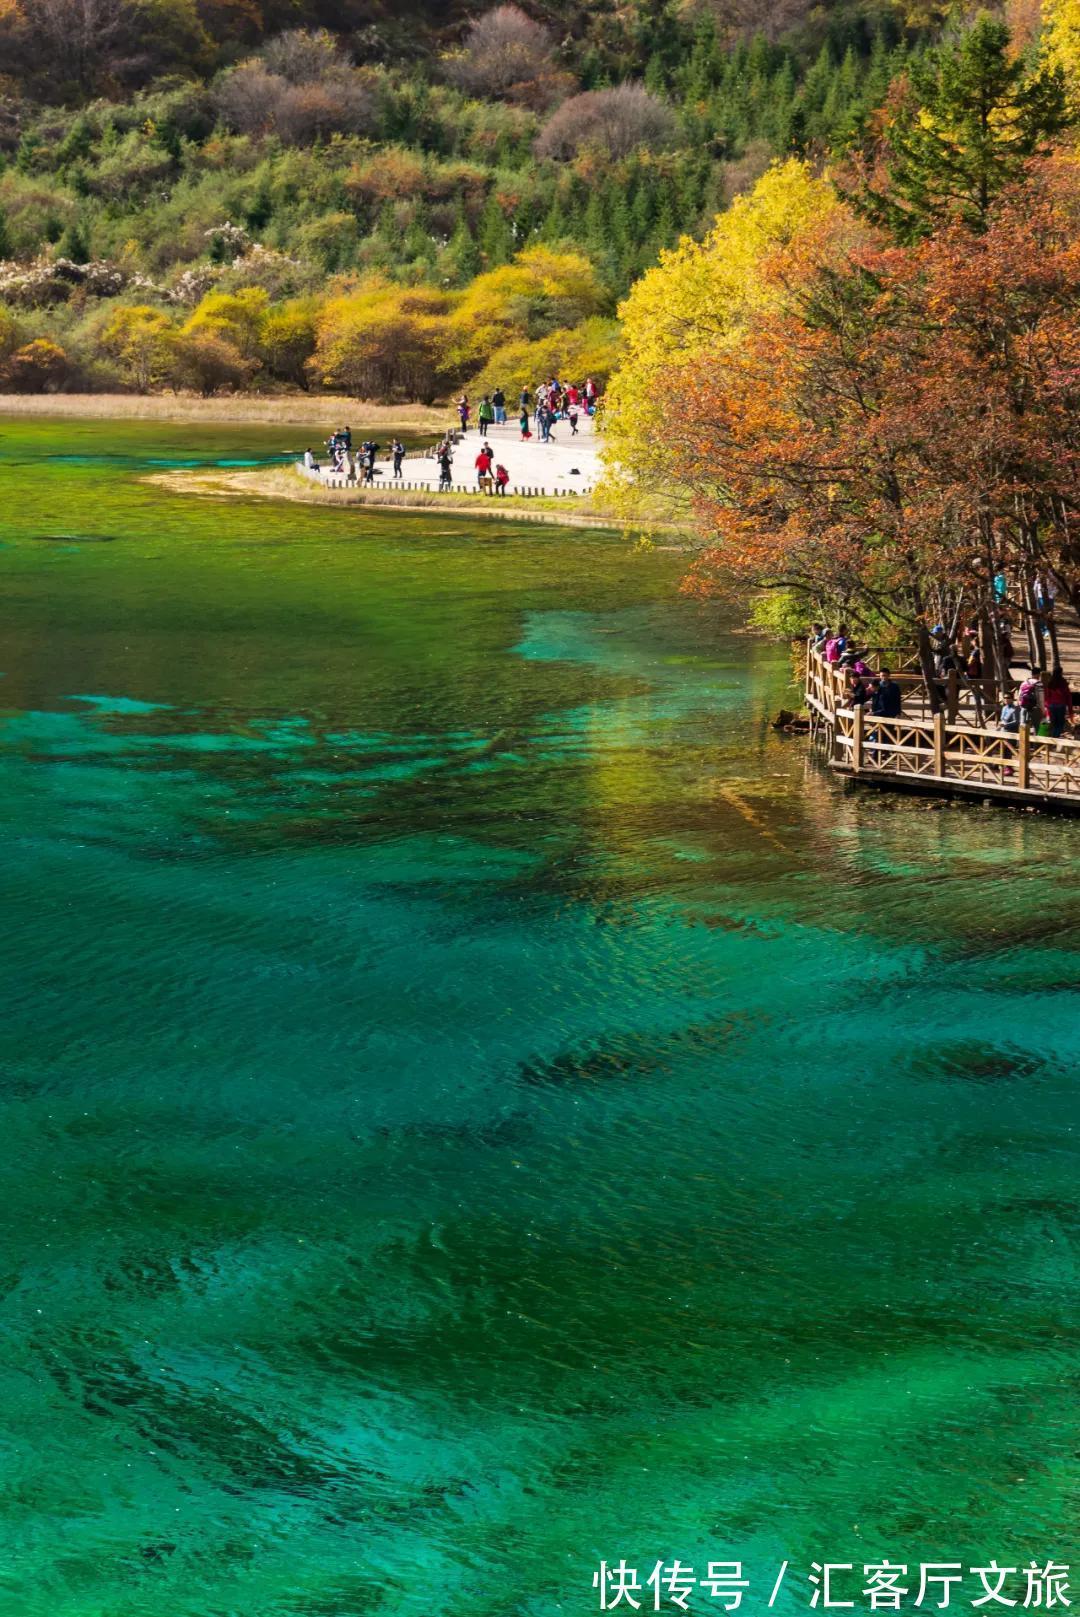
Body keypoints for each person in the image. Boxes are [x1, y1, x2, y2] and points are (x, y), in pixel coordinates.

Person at [1043, 664, 1073, 737]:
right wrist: (1070, 711)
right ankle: (1056, 739)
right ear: (1061, 672)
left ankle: (1053, 740)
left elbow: (1047, 697)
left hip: (1051, 706)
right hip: (1061, 706)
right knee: (1060, 724)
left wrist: (1047, 708)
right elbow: (1068, 697)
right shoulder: (1063, 682)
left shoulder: (1050, 683)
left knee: (1054, 724)